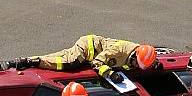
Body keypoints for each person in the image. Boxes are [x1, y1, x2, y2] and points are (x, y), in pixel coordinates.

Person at [11, 35, 158, 83]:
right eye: (136, 64)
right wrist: (110, 74)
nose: (135, 66)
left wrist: (154, 66)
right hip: (88, 48)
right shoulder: (119, 50)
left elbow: (144, 62)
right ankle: (29, 62)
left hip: (93, 50)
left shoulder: (140, 53)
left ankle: (30, 59)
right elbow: (97, 63)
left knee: (61, 56)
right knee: (67, 64)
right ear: (135, 55)